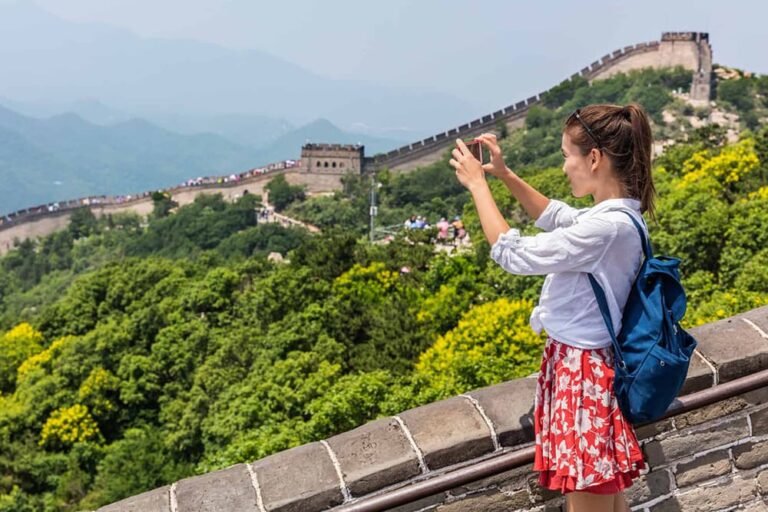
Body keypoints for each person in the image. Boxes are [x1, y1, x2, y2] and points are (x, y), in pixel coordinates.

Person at [450, 103, 654, 512]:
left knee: (591, 499)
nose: (564, 167)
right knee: (608, 501)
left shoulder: (606, 227)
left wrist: (478, 186)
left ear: (594, 158)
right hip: (589, 369)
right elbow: (557, 216)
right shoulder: (620, 217)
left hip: (581, 378)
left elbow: (514, 255)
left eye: (567, 156)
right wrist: (505, 176)